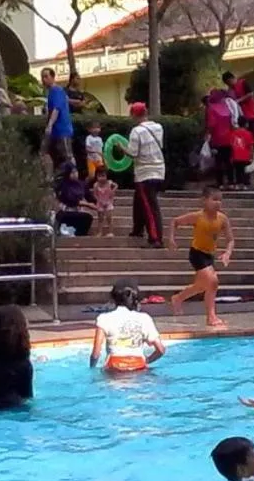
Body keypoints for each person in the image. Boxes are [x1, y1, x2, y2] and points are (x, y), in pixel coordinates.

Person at [168, 187, 235, 329]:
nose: (217, 203)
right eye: (214, 199)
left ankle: (178, 298)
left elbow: (230, 239)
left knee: (201, 286)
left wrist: (227, 253)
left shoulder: (223, 219)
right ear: (204, 201)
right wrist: (171, 239)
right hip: (197, 253)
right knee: (213, 282)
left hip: (209, 255)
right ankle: (211, 316)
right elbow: (175, 221)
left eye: (220, 200)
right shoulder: (197, 216)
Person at [90, 279, 167, 373]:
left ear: (113, 299)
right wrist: (146, 361)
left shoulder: (104, 318)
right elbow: (161, 350)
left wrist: (92, 370)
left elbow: (96, 354)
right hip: (138, 366)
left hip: (114, 367)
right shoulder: (145, 318)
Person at [127, 102, 166, 248]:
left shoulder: (136, 131)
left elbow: (133, 153)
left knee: (150, 206)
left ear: (134, 115)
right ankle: (137, 229)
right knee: (139, 200)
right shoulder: (158, 127)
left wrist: (121, 148)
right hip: (159, 170)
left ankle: (156, 238)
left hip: (145, 173)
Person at [42, 67, 74, 168]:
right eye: (42, 77)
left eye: (46, 76)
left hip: (62, 129)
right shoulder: (51, 92)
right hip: (55, 131)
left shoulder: (57, 91)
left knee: (68, 156)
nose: (44, 79)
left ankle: (74, 174)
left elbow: (57, 109)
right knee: (48, 154)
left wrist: (50, 125)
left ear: (52, 77)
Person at [53, 161, 96, 236]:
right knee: (84, 217)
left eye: (76, 171)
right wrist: (87, 204)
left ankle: (80, 235)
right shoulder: (62, 185)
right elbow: (70, 201)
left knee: (87, 218)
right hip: (65, 212)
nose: (75, 174)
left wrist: (99, 203)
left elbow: (90, 197)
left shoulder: (82, 184)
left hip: (78, 211)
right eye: (72, 172)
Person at [206, 88, 236, 189]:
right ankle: (231, 182)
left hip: (217, 139)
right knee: (228, 161)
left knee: (218, 162)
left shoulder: (211, 108)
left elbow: (211, 124)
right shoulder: (226, 107)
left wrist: (208, 135)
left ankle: (220, 183)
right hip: (228, 139)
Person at [91, 166, 118, 238]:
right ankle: (100, 232)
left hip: (108, 202)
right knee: (100, 219)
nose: (101, 178)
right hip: (100, 203)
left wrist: (113, 191)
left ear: (106, 176)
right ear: (96, 176)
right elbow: (95, 194)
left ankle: (111, 232)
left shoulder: (109, 183)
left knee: (109, 218)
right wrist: (100, 201)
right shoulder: (96, 185)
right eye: (99, 176)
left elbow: (116, 185)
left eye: (103, 176)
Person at [230, 118, 254, 191]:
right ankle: (245, 185)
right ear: (246, 124)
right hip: (245, 156)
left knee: (238, 171)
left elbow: (231, 145)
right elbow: (251, 146)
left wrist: (231, 156)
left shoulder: (233, 133)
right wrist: (251, 156)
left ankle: (238, 184)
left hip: (236, 156)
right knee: (246, 171)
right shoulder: (248, 133)